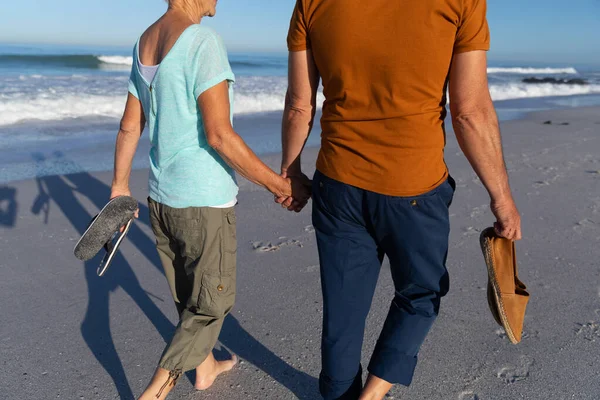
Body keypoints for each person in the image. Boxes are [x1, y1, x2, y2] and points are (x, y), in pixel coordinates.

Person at [278, 0, 522, 399]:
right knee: (420, 293)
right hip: (414, 189)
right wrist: (502, 197)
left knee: (342, 312)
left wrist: (291, 171)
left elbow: (299, 104)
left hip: (337, 184)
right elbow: (469, 111)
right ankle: (372, 395)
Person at [110, 0, 309, 399]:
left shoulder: (144, 42)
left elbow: (131, 125)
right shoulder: (202, 40)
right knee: (211, 305)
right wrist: (278, 184)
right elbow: (219, 135)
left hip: (162, 199)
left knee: (189, 297)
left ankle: (205, 368)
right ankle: (153, 394)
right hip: (202, 200)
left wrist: (120, 186)